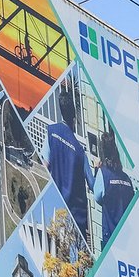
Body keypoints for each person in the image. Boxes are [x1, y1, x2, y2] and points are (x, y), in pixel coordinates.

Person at [45, 83, 93, 248]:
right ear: (74, 119)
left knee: (56, 250)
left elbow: (45, 164)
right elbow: (93, 185)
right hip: (76, 218)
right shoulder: (80, 152)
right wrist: (98, 169)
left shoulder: (51, 132)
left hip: (55, 210)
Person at [94, 129, 135, 243]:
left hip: (110, 235)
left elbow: (97, 196)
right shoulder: (127, 179)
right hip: (127, 236)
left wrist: (97, 169)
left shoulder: (103, 174)